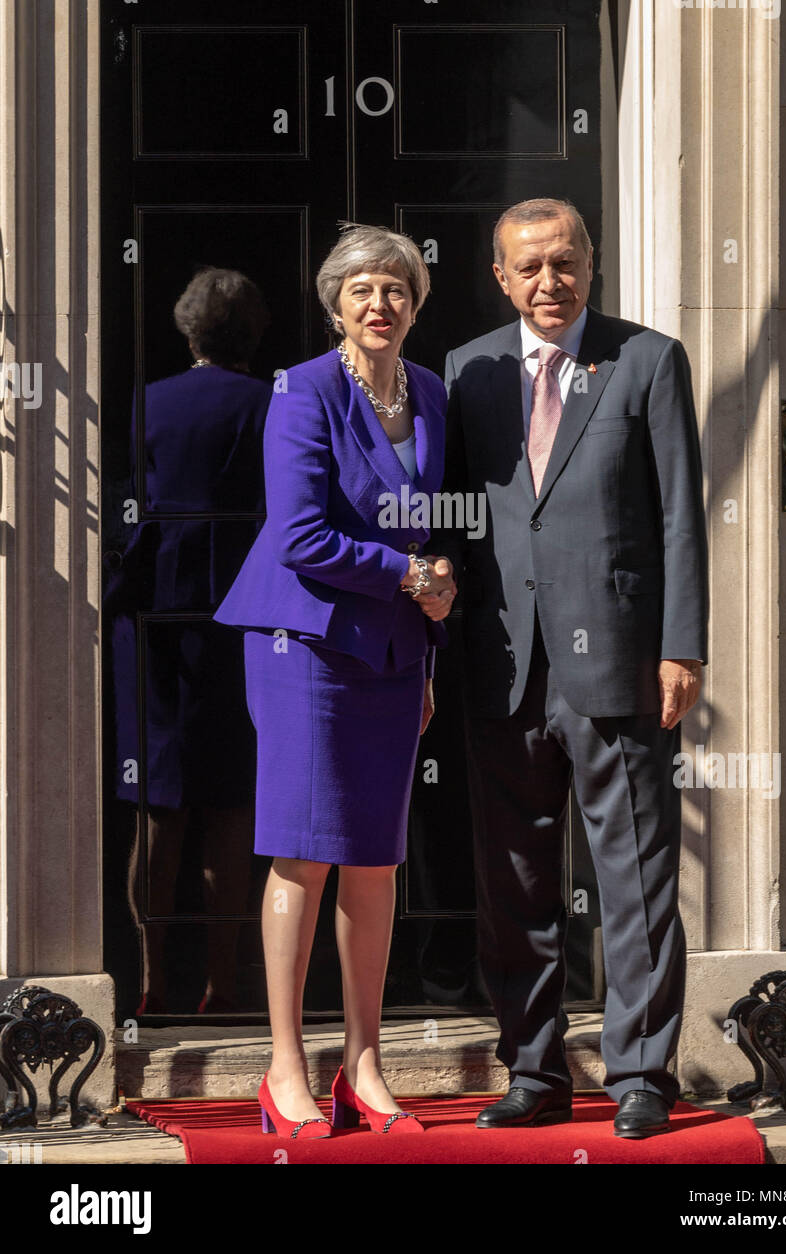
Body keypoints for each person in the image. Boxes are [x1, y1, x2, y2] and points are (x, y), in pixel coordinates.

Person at [420, 197, 708, 1138]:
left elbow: (677, 517)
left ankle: (638, 1075)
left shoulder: (648, 359)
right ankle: (534, 1069)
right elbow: (454, 518)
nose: (550, 282)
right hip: (501, 667)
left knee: (634, 877)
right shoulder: (469, 370)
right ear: (499, 278)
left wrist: (680, 645)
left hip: (619, 661)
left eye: (565, 262)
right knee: (512, 885)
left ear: (591, 264)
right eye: (528, 267)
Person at [212, 224, 455, 1139]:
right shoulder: (301, 390)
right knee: (304, 851)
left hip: (393, 653)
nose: (379, 303)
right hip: (302, 644)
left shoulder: (429, 393)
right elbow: (300, 533)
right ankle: (284, 1068)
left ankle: (365, 1064)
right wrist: (405, 578)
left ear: (415, 303)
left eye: (395, 288)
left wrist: (425, 636)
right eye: (361, 289)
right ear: (335, 304)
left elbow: (425, 535)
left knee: (376, 860)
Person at [105, 265, 273, 1017]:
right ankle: (221, 987)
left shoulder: (149, 403)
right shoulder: (274, 404)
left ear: (187, 328)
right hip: (243, 622)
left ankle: (146, 982)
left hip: (155, 629)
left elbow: (124, 517)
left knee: (157, 807)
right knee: (233, 806)